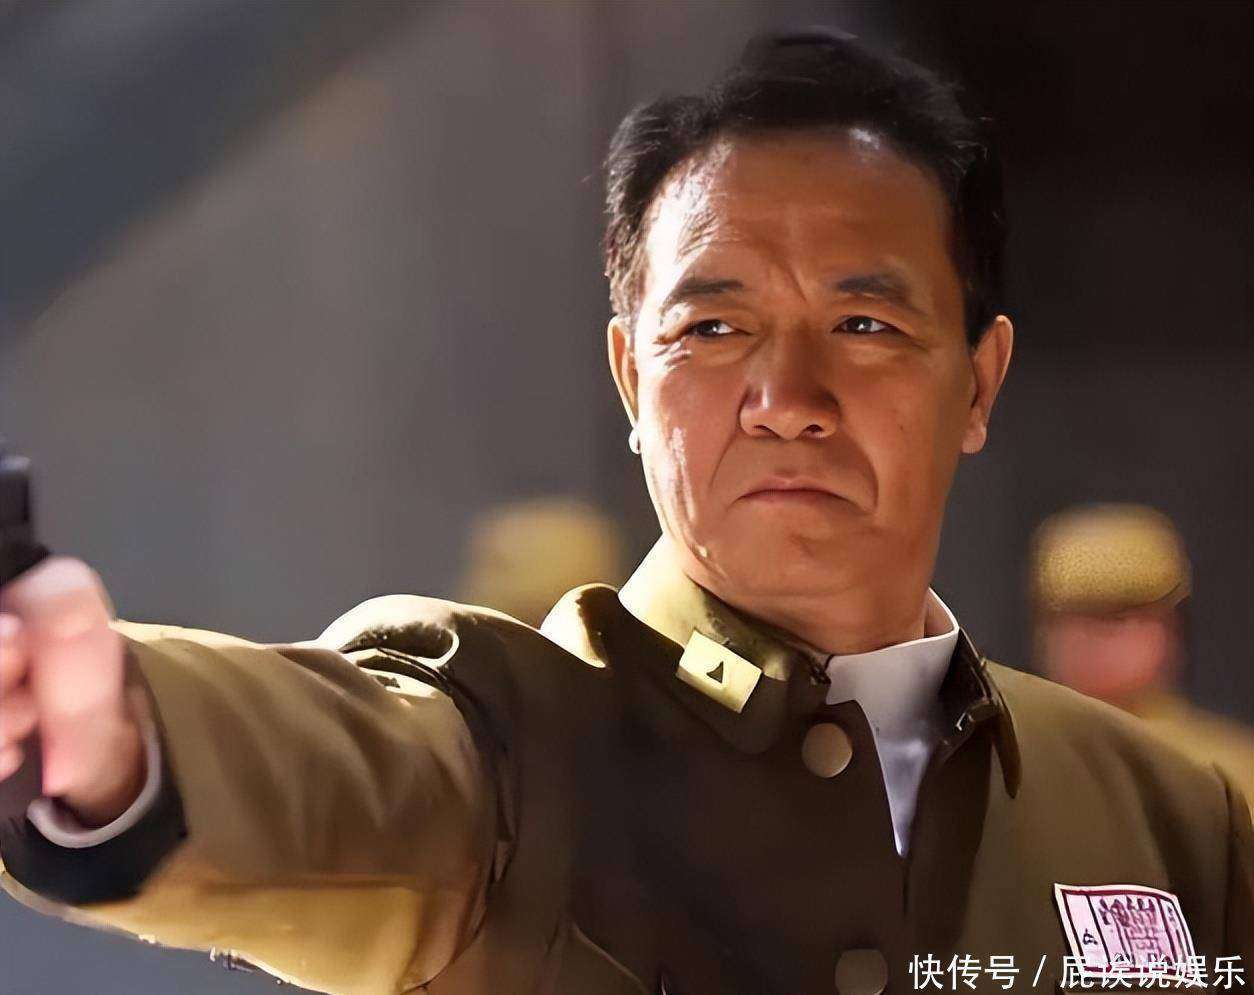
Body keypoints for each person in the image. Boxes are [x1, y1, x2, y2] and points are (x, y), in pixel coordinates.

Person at [0, 29, 1250, 995]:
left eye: (864, 322)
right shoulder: (512, 750)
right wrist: (106, 733)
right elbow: (336, 768)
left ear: (977, 380)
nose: (787, 399)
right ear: (629, 381)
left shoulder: (1174, 821)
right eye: (713, 328)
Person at [1032, 502, 1254, 804]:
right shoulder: (1014, 766)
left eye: (1118, 618)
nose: (1091, 639)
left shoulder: (1227, 776)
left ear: (1171, 627)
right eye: (1070, 619)